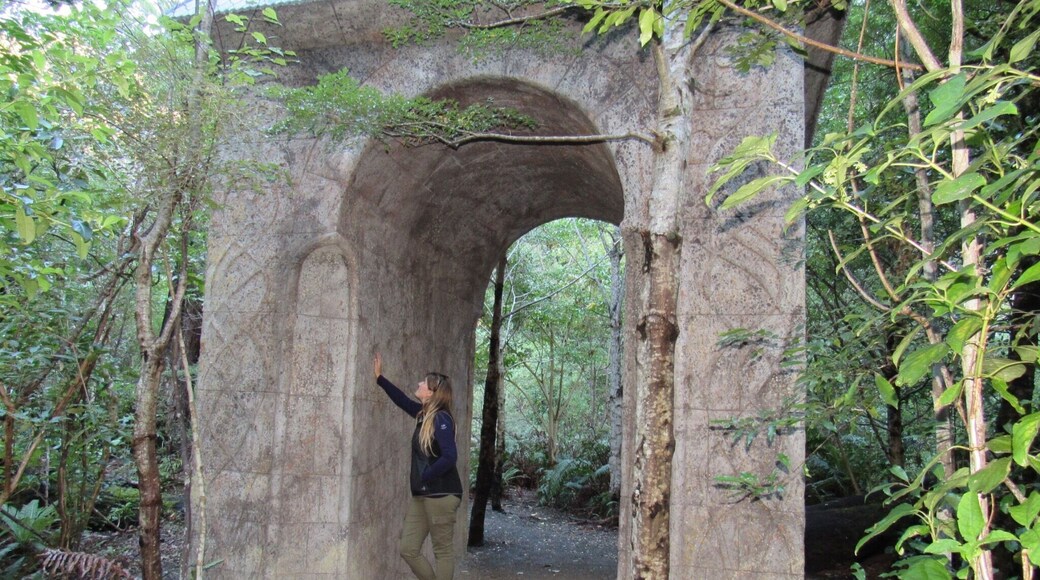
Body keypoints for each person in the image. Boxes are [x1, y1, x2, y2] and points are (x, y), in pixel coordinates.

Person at [374, 353, 463, 580]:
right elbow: (402, 400)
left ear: (432, 393)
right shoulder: (424, 415)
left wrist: (426, 474)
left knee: (442, 551)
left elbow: (450, 456)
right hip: (423, 494)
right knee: (408, 548)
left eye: (423, 383)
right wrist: (380, 378)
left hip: (441, 493)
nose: (419, 384)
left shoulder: (441, 419)